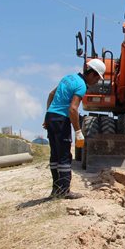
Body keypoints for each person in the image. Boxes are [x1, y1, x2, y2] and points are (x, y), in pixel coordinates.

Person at [43, 59, 105, 199]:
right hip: (61, 120)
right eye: (97, 78)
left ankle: (56, 190)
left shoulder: (68, 78)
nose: (96, 82)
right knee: (64, 156)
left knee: (55, 155)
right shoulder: (81, 85)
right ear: (92, 74)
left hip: (51, 117)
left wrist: (48, 115)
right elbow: (72, 109)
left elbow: (51, 95)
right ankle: (64, 191)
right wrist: (78, 131)